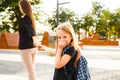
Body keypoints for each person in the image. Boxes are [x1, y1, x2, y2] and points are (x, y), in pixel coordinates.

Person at [18, 0, 40, 80]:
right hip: (33, 48)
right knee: (32, 71)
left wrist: (35, 39)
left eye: (20, 7)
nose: (20, 8)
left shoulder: (26, 19)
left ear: (23, 8)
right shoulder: (31, 18)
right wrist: (35, 40)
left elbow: (30, 29)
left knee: (31, 72)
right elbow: (31, 29)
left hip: (26, 49)